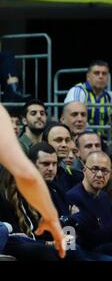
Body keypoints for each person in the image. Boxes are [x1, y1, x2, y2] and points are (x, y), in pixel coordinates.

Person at [0, 104, 65, 258]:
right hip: (25, 242)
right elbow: (22, 234)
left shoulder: (55, 190)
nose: (50, 168)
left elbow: (70, 227)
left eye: (54, 164)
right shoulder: (9, 194)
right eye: (45, 164)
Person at [64, 60, 112, 136]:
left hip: (100, 141)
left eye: (104, 74)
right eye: (96, 73)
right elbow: (72, 120)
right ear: (88, 76)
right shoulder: (78, 91)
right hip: (79, 138)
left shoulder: (107, 96)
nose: (101, 76)